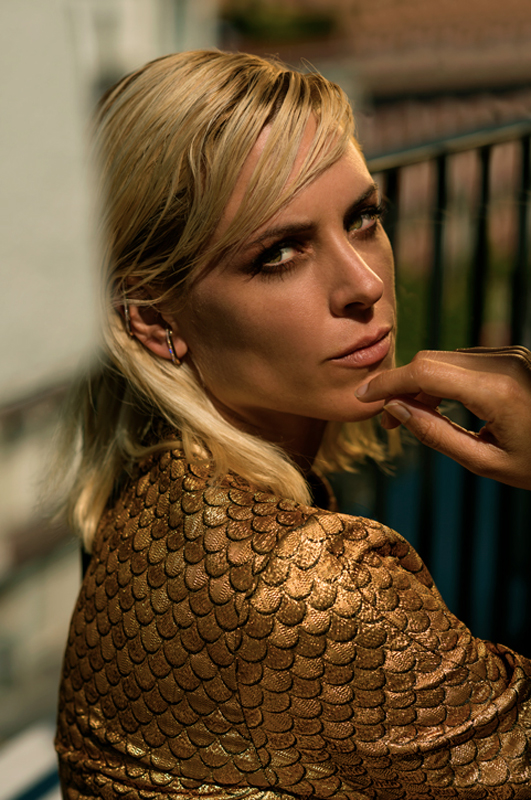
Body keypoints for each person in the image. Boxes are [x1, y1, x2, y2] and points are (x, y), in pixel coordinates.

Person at [55, 50, 531, 799]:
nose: (365, 284)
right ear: (153, 320)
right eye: (278, 254)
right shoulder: (310, 586)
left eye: (363, 218)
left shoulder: (156, 488)